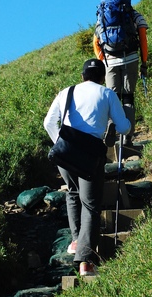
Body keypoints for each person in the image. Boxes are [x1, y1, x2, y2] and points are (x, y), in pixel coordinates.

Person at [43, 58, 131, 276]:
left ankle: (75, 242)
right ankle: (86, 261)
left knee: (72, 194)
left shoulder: (67, 91)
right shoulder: (107, 94)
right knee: (91, 205)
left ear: (82, 76)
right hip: (90, 156)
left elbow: (48, 122)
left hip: (66, 152)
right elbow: (124, 127)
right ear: (102, 78)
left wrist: (61, 144)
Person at [93, 0, 148, 146]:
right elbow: (143, 40)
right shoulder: (134, 15)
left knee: (113, 98)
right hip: (131, 58)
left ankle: (111, 125)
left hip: (110, 61)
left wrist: (103, 60)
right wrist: (144, 63)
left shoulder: (102, 17)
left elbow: (96, 43)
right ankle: (128, 137)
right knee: (128, 97)